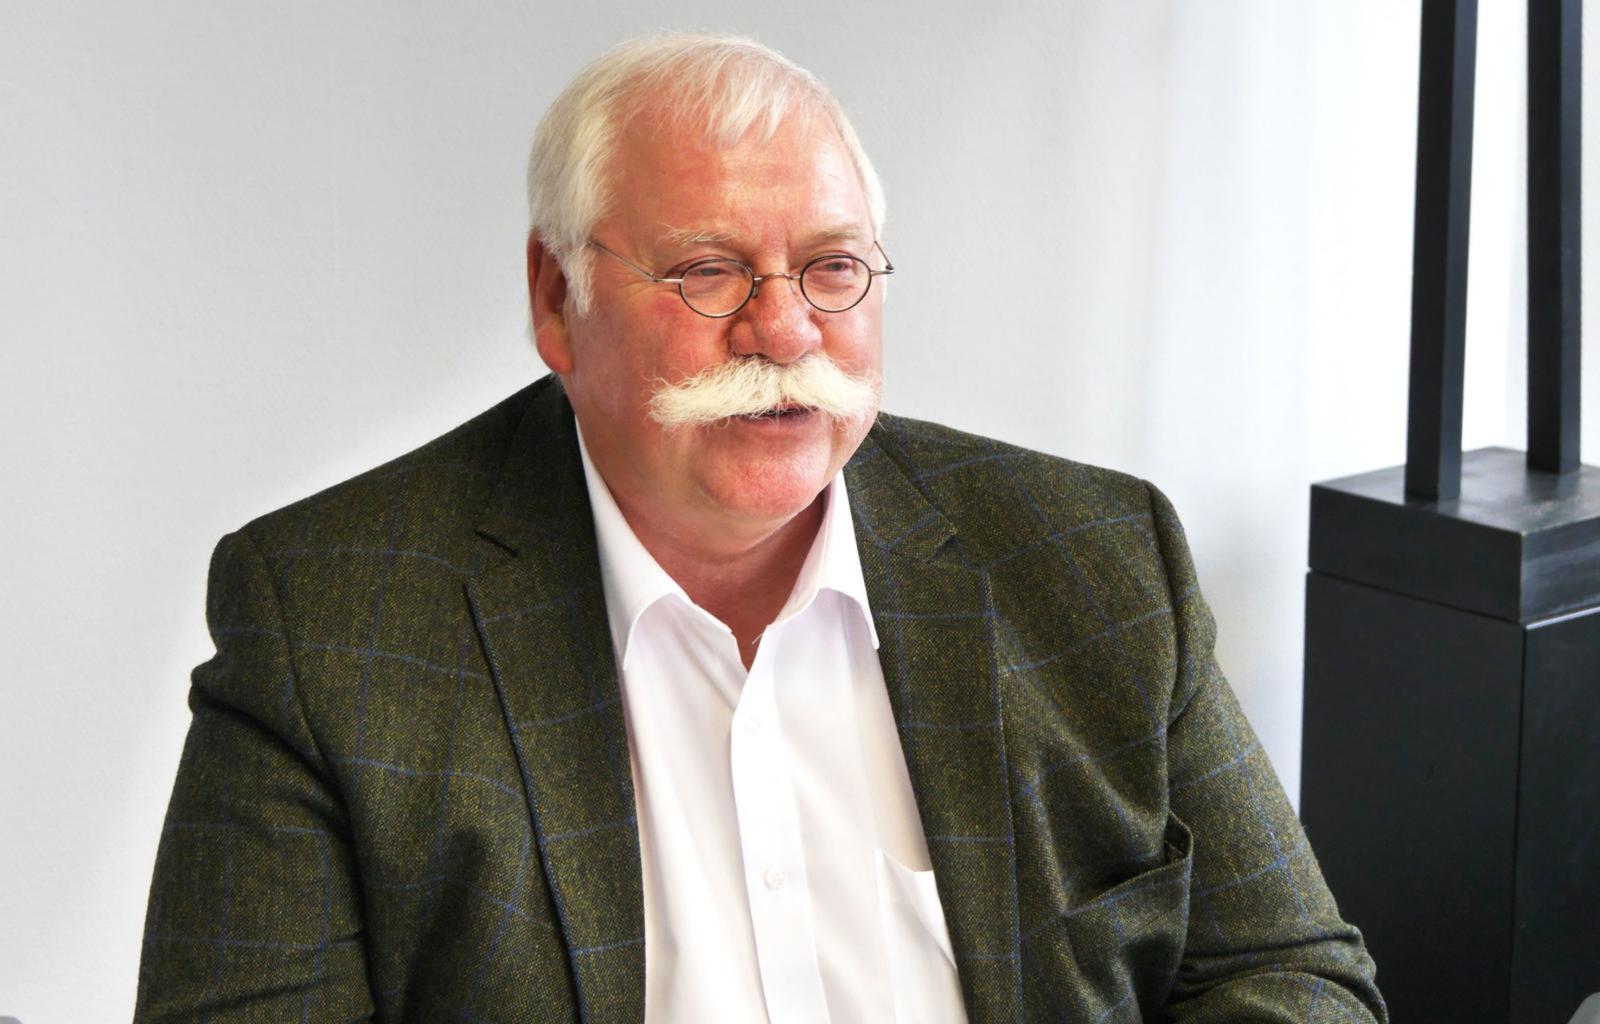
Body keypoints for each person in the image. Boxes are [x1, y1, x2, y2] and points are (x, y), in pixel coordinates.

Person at [135, 33, 1387, 1024]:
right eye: (708, 270)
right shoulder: (331, 623)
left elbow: (1291, 976)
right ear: (557, 300)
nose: (783, 330)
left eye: (832, 267)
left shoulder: (1092, 559)